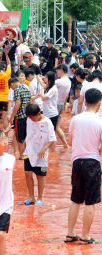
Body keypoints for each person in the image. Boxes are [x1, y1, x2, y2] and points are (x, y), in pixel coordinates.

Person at [66, 88, 102, 244]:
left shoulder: (76, 119)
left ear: (85, 102)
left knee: (75, 199)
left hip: (77, 162)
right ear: (99, 104)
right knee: (90, 201)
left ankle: (70, 233)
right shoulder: (100, 121)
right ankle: (85, 235)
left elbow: (70, 141)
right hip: (92, 162)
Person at [23, 103, 56, 206]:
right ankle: (31, 197)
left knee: (40, 176)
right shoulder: (29, 120)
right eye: (29, 117)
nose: (31, 119)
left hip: (41, 153)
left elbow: (52, 138)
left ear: (38, 114)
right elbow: (29, 134)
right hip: (29, 151)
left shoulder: (47, 122)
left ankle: (40, 198)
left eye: (33, 117)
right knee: (27, 173)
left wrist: (44, 148)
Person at [8, 77, 31, 159]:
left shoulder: (17, 90)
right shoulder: (26, 89)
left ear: (12, 84)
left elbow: (17, 104)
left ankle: (21, 155)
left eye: (11, 88)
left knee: (19, 137)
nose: (12, 89)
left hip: (20, 116)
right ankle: (25, 153)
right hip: (27, 116)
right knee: (25, 135)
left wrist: (12, 117)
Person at [54, 64, 71, 149]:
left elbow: (47, 87)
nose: (56, 73)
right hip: (60, 104)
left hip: (54, 105)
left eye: (57, 71)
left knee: (52, 127)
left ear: (61, 70)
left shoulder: (59, 82)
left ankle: (51, 147)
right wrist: (64, 105)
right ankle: (65, 144)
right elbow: (67, 96)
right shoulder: (68, 81)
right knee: (56, 127)